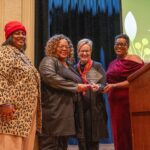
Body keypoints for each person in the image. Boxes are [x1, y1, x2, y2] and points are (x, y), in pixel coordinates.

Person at [38, 34, 89, 150]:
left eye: (67, 47)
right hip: (53, 115)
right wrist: (75, 87)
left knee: (62, 146)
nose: (64, 49)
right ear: (53, 47)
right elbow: (51, 78)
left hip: (66, 115)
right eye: (60, 46)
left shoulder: (69, 65)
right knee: (50, 146)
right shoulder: (48, 61)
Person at [0, 21, 41, 150]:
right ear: (9, 36)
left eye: (23, 34)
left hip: (26, 112)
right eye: (17, 33)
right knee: (11, 145)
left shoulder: (21, 55)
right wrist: (4, 102)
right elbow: (1, 76)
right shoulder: (5, 52)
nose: (22, 36)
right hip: (12, 112)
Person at [103, 34, 144, 150]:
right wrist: (100, 86)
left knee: (126, 130)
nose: (118, 46)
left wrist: (114, 85)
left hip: (127, 101)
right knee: (118, 131)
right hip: (114, 103)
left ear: (128, 46)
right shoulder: (112, 63)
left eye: (122, 44)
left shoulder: (134, 59)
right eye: (116, 44)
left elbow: (136, 80)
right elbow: (108, 82)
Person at [75, 38, 108, 150]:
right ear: (78, 52)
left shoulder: (97, 66)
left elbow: (104, 85)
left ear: (91, 52)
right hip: (79, 109)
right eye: (82, 51)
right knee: (81, 140)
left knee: (93, 142)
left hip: (94, 108)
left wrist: (98, 87)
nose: (84, 53)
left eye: (87, 51)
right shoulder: (74, 68)